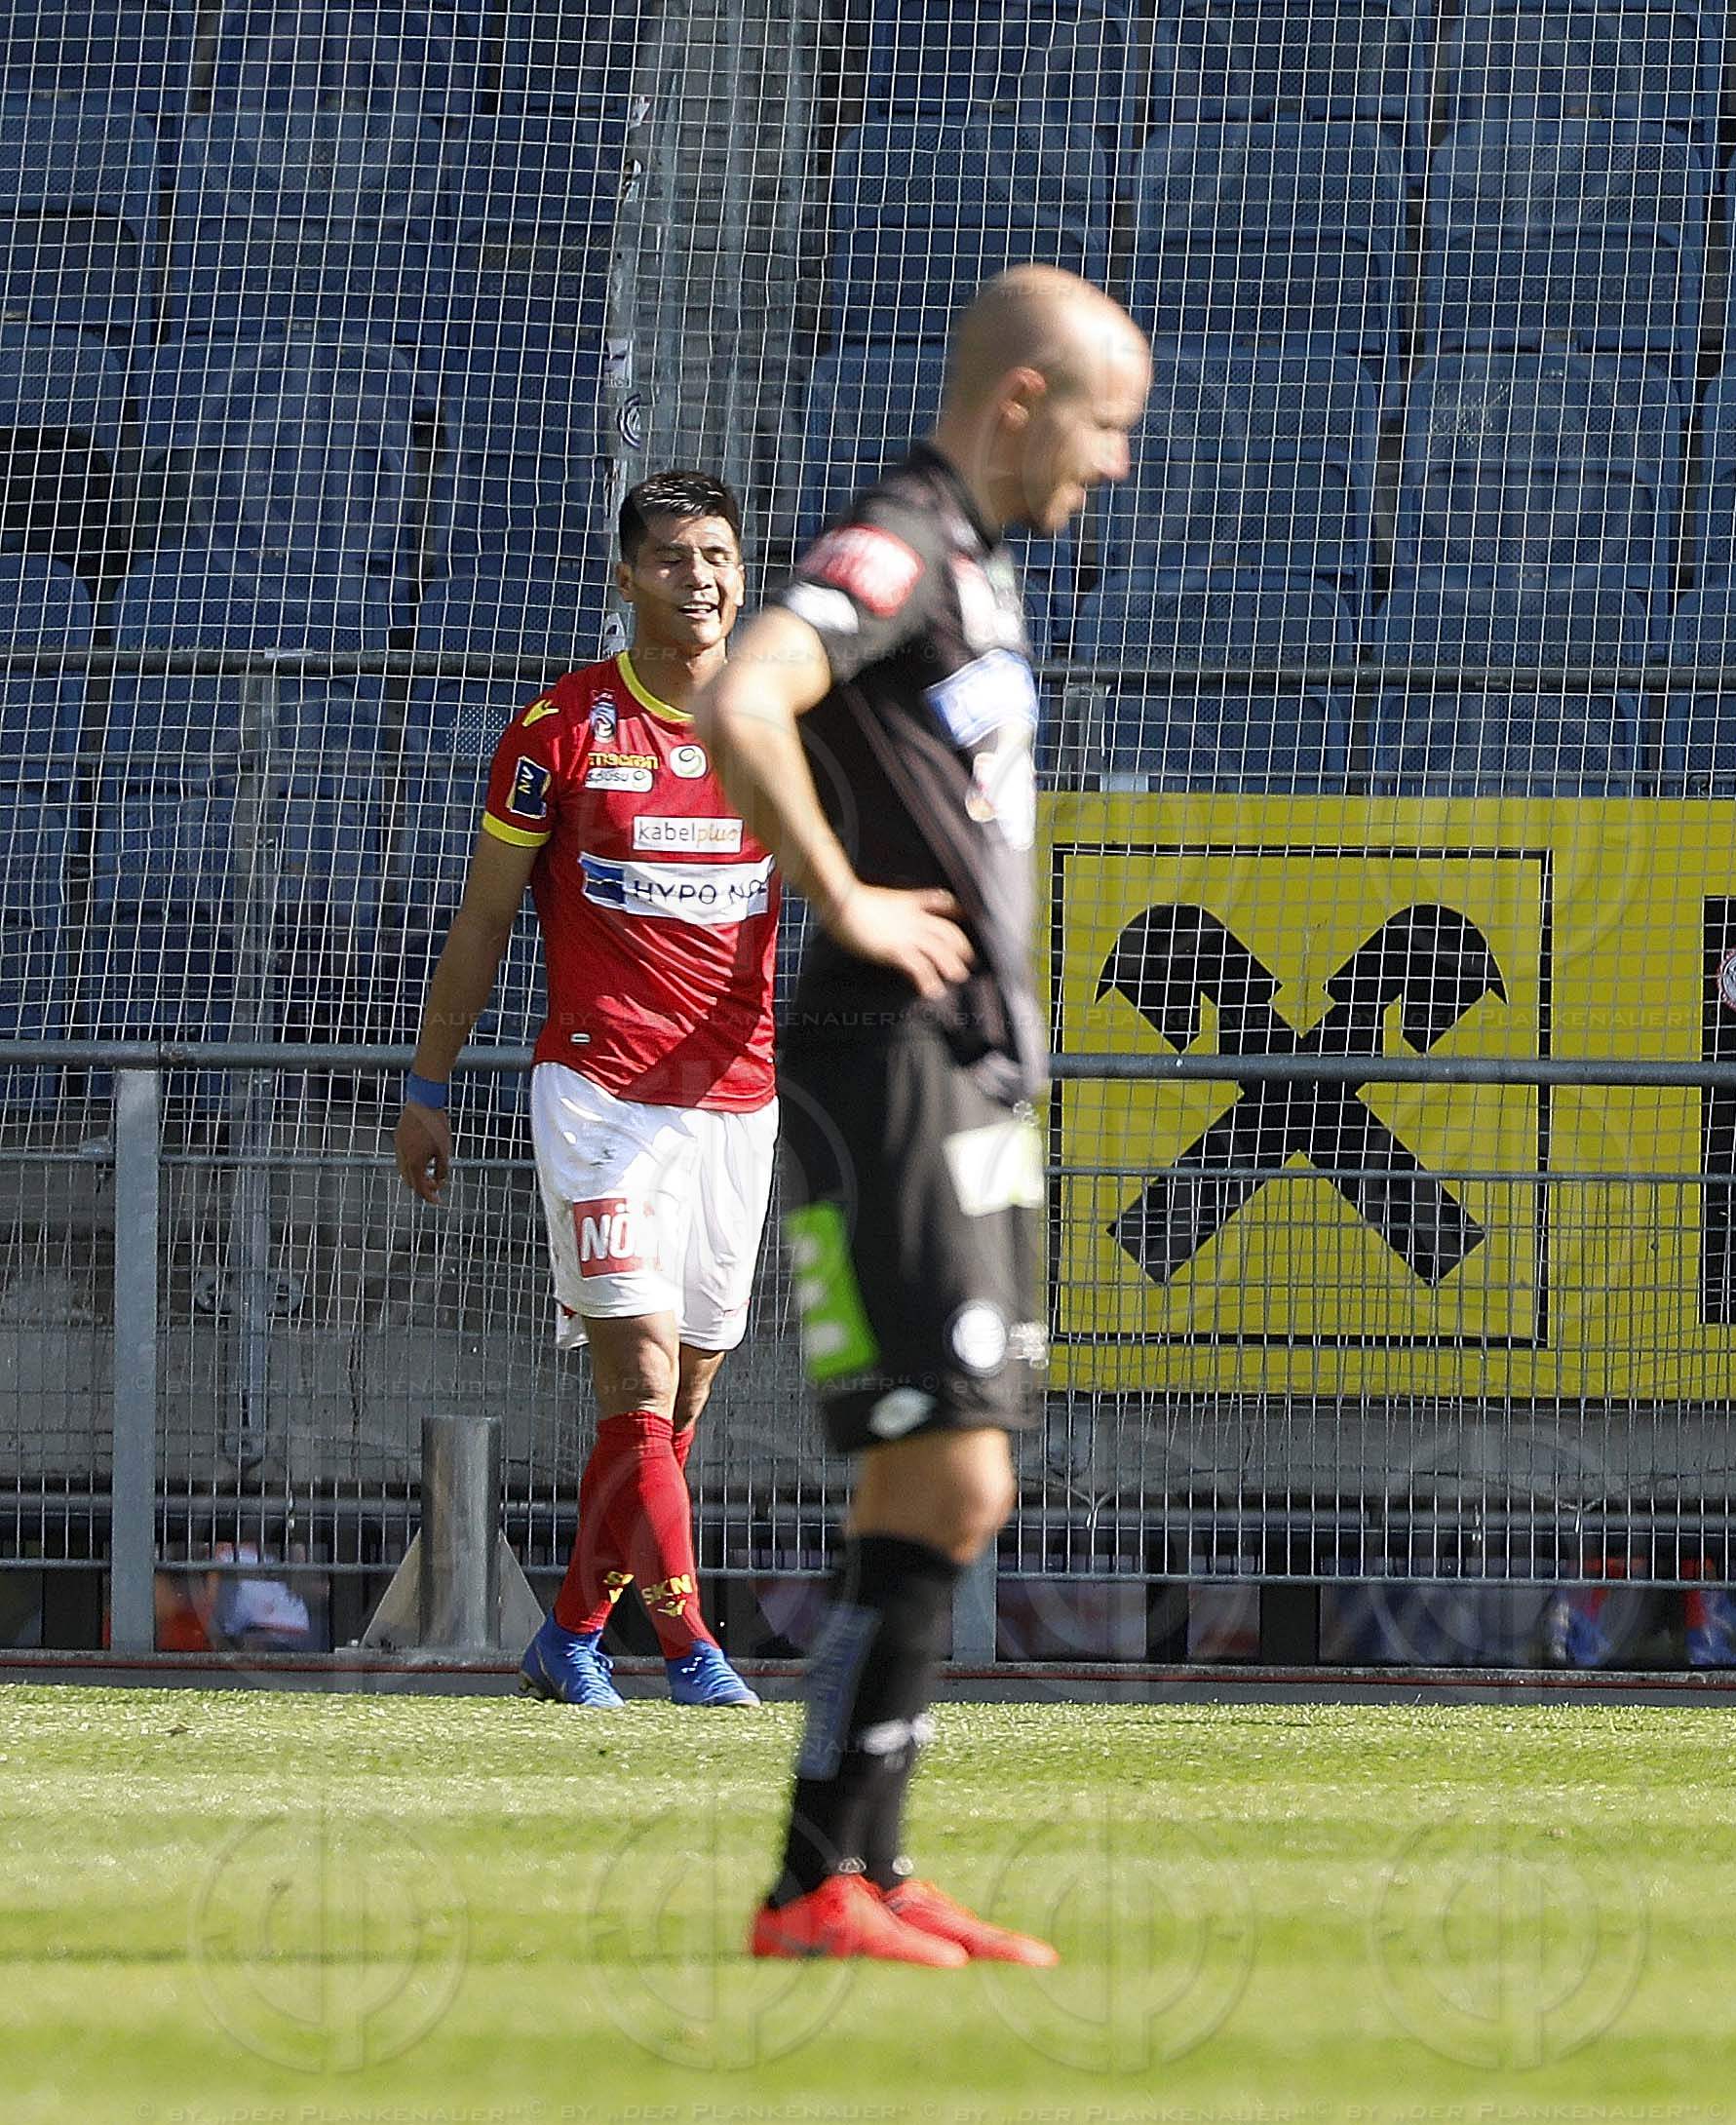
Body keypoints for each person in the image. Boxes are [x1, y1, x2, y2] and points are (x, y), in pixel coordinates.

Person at [692, 263, 1149, 1964]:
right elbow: (748, 695)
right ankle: (821, 1877)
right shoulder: (897, 542)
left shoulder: (977, 566)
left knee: (942, 1484)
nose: (1112, 467)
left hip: (960, 1064)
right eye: (1104, 428)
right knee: (946, 1470)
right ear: (1021, 398)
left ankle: (848, 1876)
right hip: (884, 1054)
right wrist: (850, 900)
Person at [397, 470, 775, 1712]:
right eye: (673, 557)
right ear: (625, 578)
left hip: (737, 1096)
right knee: (640, 1386)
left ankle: (569, 1634)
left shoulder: (780, 727)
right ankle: (691, 1651)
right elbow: (487, 916)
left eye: (717, 554)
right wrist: (430, 1079)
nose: (702, 578)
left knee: (684, 1399)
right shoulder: (559, 731)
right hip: (601, 1095)